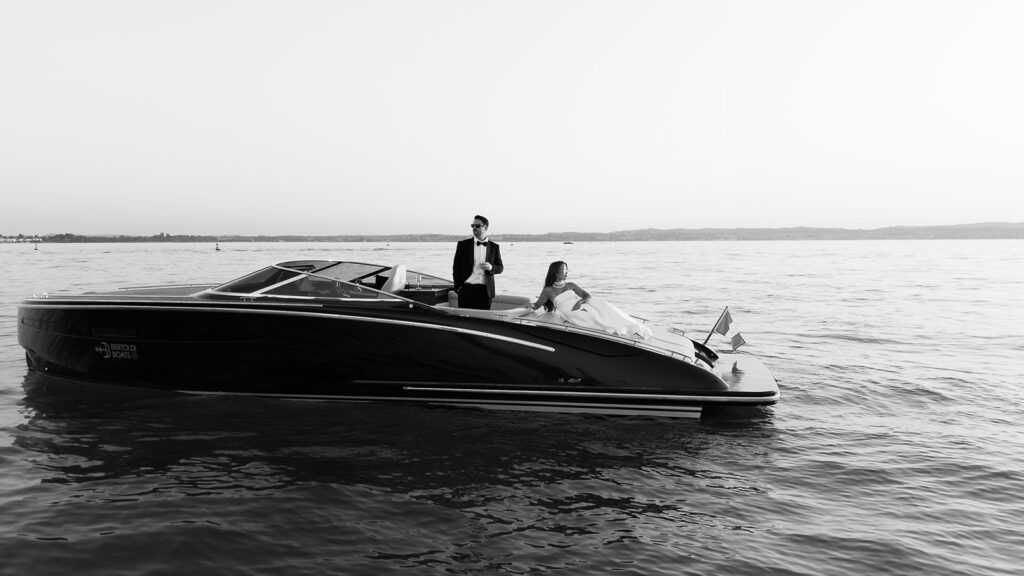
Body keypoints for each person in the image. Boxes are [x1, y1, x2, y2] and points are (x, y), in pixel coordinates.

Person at [527, 261, 652, 339]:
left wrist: (579, 302)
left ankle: (632, 327)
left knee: (602, 305)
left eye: (566, 270)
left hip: (582, 305)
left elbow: (587, 296)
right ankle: (624, 328)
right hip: (571, 313)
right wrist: (529, 306)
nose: (566, 273)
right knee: (592, 316)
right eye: (563, 270)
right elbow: (537, 304)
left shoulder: (571, 285)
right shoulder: (548, 290)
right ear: (555, 272)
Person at [452, 215, 504, 310]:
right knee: (465, 320)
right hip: (466, 290)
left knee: (483, 321)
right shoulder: (463, 245)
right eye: (473, 226)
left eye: (477, 226)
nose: (474, 228)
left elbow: (500, 268)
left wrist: (491, 267)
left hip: (486, 291)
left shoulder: (494, 247)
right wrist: (458, 287)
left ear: (486, 227)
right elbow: (456, 268)